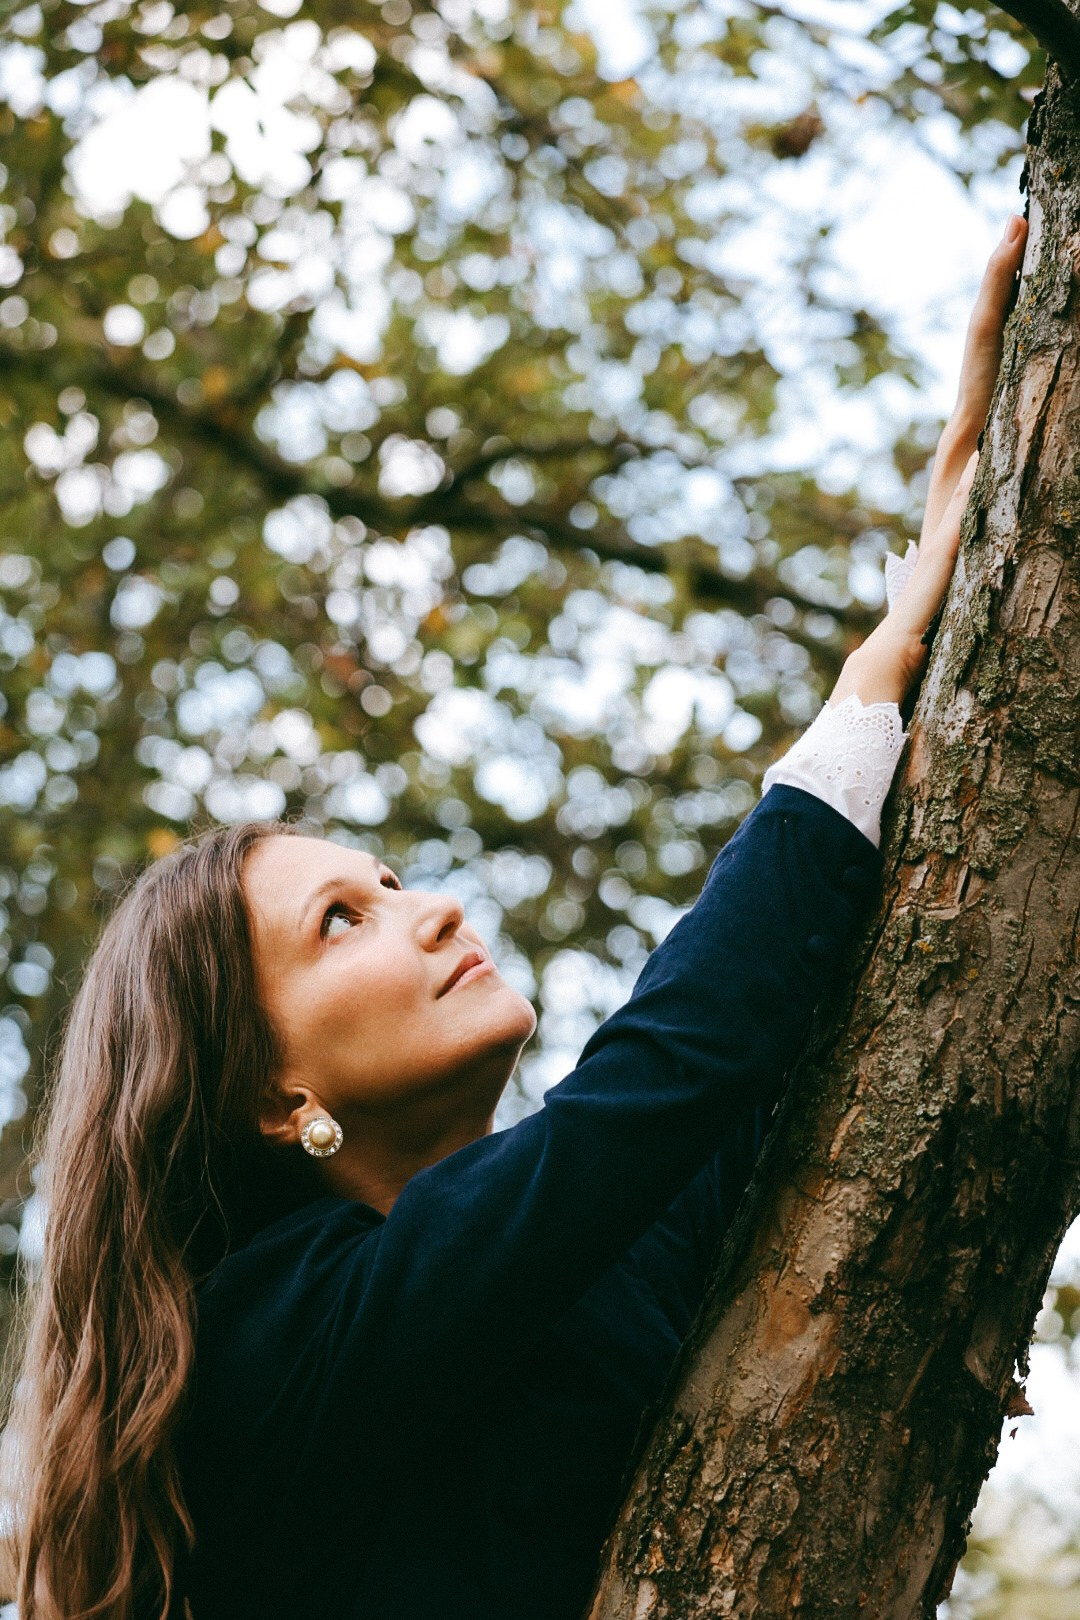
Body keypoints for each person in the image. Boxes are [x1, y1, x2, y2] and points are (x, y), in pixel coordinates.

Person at [0, 217, 1026, 1620]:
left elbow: (735, 1096)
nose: (431, 913)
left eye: (398, 881)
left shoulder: (568, 1280)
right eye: (342, 922)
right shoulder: (265, 1345)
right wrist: (873, 669)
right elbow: (661, 1083)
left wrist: (974, 528)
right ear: (266, 1092)